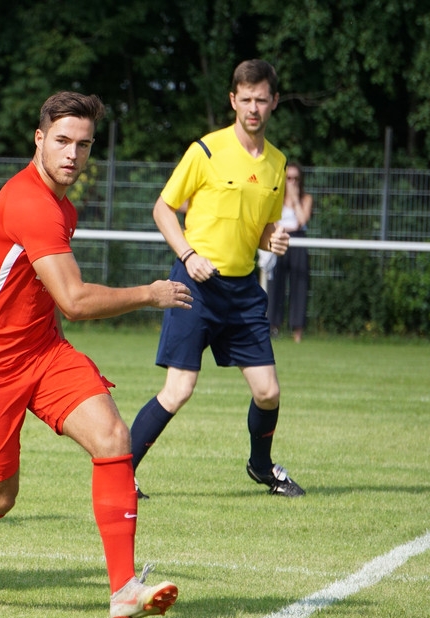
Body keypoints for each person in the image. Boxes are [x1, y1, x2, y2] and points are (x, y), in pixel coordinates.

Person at [0, 91, 193, 618]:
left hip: (41, 350)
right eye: (61, 141)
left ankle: (124, 590)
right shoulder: (31, 202)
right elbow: (75, 302)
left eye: (83, 144)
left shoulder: (63, 206)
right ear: (38, 139)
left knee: (112, 436)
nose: (72, 154)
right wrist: (151, 293)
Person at [130, 59, 306, 499]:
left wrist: (273, 238)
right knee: (179, 389)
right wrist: (187, 255)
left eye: (261, 99)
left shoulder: (277, 165)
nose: (253, 108)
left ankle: (261, 467)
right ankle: (120, 472)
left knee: (268, 392)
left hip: (244, 291)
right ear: (233, 100)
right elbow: (162, 209)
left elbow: (258, 227)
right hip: (195, 287)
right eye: (245, 99)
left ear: (274, 102)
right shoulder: (205, 150)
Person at [267, 162, 313, 342]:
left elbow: (302, 221)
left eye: (296, 178)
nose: (292, 182)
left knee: (299, 285)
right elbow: (272, 221)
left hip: (298, 240)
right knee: (275, 284)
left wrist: (295, 201)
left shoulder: (305, 199)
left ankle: (297, 330)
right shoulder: (276, 198)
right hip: (280, 238)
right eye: (289, 178)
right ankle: (273, 326)